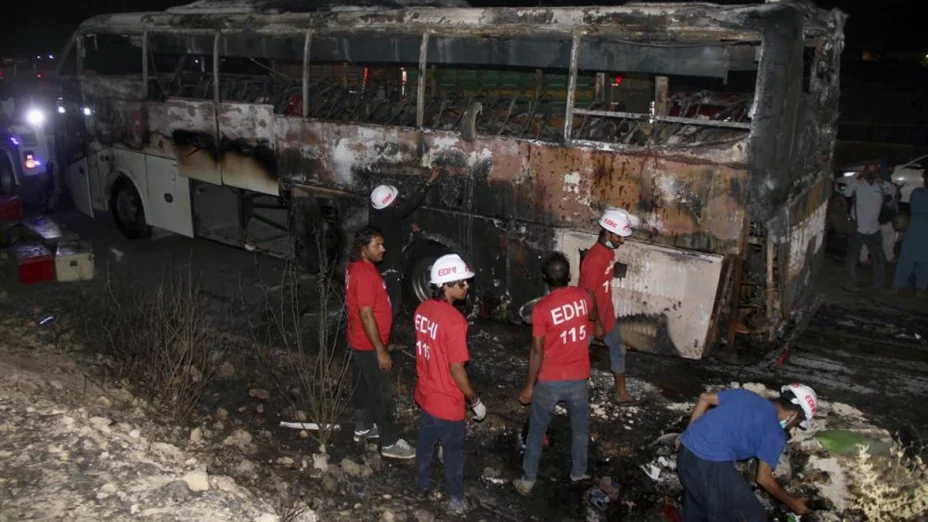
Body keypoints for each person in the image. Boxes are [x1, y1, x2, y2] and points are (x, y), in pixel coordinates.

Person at [514, 252, 596, 495]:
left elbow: (537, 351)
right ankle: (578, 472)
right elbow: (592, 314)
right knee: (580, 429)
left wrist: (529, 386)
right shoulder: (583, 297)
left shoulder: (541, 309)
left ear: (544, 278)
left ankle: (528, 481)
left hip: (550, 381)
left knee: (537, 430)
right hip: (579, 378)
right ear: (569, 275)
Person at [676, 383, 818, 522]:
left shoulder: (745, 395)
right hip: (710, 464)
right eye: (797, 423)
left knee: (700, 511)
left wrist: (687, 433)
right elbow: (764, 479)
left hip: (685, 455)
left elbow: (704, 397)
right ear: (793, 415)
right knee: (753, 516)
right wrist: (792, 502)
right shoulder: (775, 432)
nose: (793, 428)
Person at [413, 254, 486, 514]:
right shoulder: (455, 322)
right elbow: (456, 368)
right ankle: (456, 499)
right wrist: (474, 400)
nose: (467, 287)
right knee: (453, 453)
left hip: (426, 394)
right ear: (445, 285)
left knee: (425, 443)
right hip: (447, 402)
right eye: (462, 283)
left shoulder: (422, 309)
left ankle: (421, 483)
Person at [345, 225, 415, 459]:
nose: (383, 248)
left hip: (359, 341)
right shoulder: (364, 275)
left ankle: (363, 427)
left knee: (364, 386)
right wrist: (381, 351)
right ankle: (389, 442)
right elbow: (366, 314)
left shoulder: (358, 267)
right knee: (381, 393)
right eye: (378, 245)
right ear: (364, 248)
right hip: (368, 345)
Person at [579, 208, 637, 403]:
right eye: (619, 236)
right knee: (578, 355)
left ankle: (621, 392)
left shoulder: (608, 252)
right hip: (588, 317)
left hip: (606, 313)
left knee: (618, 349)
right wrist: (596, 323)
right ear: (607, 232)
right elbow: (589, 294)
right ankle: (576, 388)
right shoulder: (595, 259)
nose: (622, 240)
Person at [369, 166, 442, 319]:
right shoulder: (392, 215)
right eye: (394, 198)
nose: (397, 199)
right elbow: (411, 204)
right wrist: (429, 181)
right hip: (390, 266)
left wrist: (409, 230)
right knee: (393, 302)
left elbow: (394, 229)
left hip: (380, 264)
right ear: (388, 203)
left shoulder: (378, 216)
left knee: (383, 297)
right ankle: (385, 335)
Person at [843, 162, 895, 291]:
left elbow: (893, 190)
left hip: (874, 228)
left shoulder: (880, 185)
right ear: (865, 171)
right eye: (869, 171)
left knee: (879, 259)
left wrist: (882, 181)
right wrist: (856, 177)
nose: (871, 174)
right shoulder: (858, 183)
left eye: (874, 171)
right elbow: (846, 193)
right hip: (858, 228)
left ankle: (878, 285)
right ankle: (850, 283)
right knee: (852, 258)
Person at [892, 171, 928, 297]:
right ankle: (903, 284)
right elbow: (916, 209)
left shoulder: (918, 192)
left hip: (918, 230)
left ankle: (917, 286)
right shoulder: (919, 192)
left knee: (920, 260)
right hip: (917, 230)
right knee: (911, 258)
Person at [860, 160, 899, 264]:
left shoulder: (881, 180)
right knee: (873, 234)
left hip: (879, 213)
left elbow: (890, 190)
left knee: (886, 234)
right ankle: (866, 257)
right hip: (875, 214)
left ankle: (887, 256)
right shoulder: (864, 181)